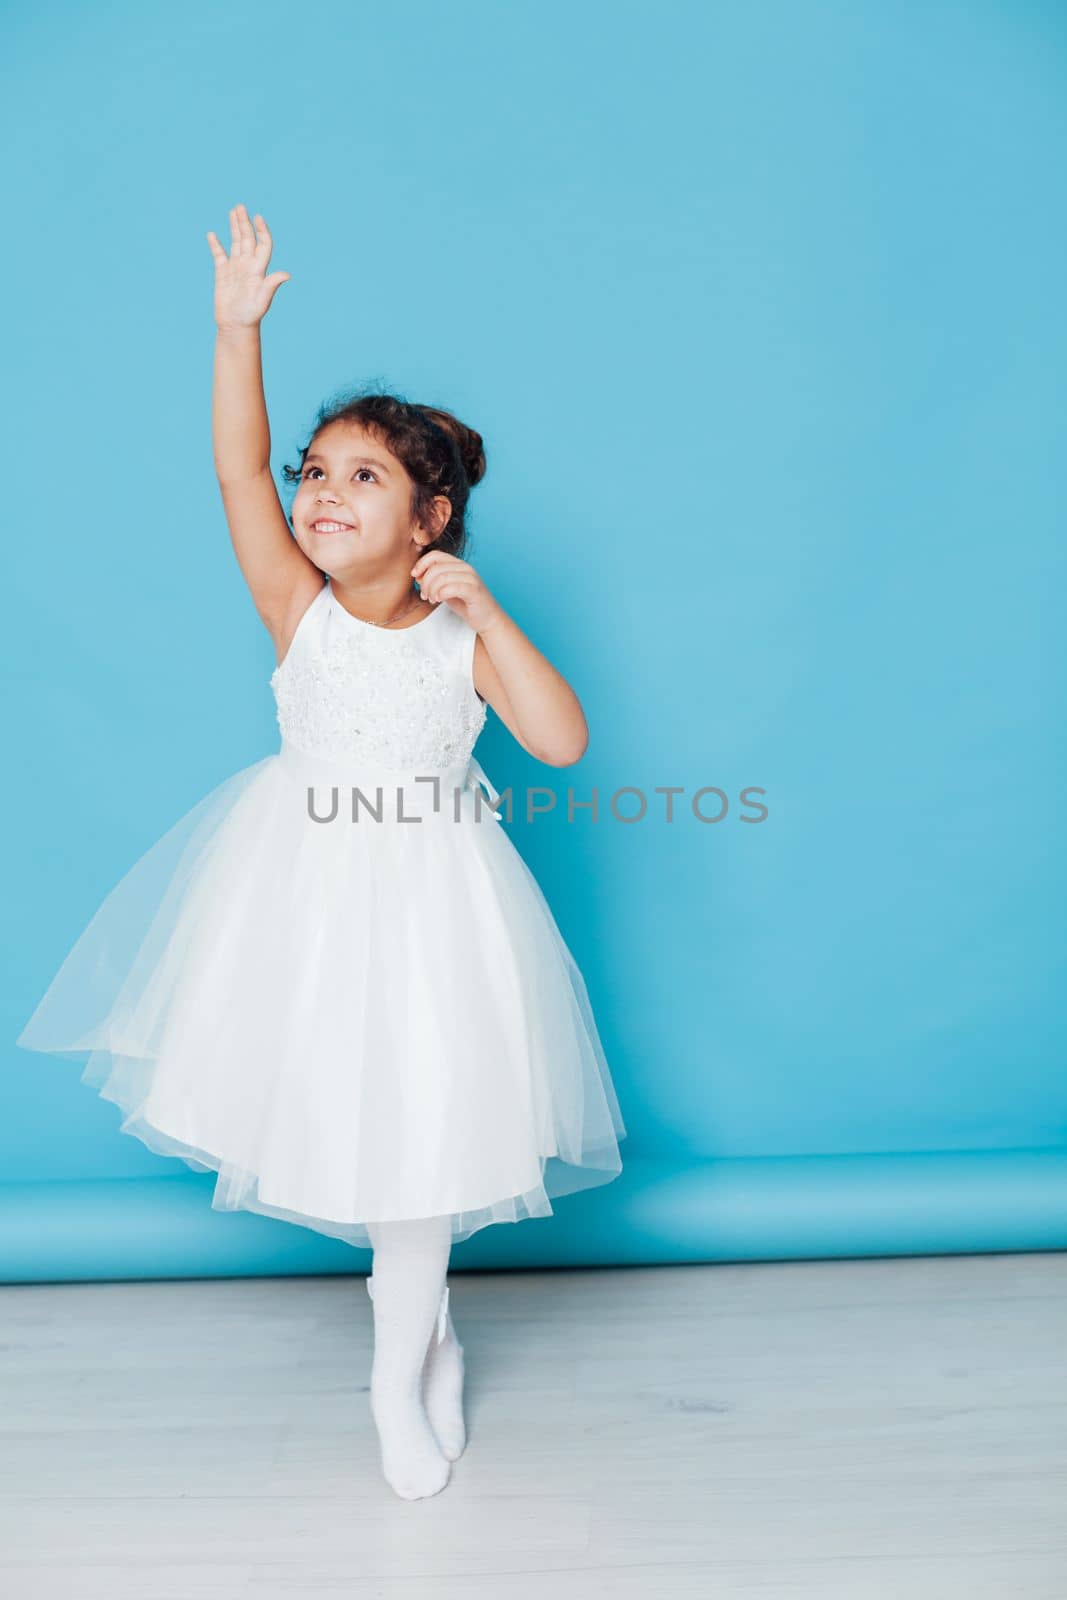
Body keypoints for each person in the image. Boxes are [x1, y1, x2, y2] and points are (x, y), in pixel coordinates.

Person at [15, 203, 627, 1501]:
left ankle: (399, 1374)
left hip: (435, 903)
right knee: (352, 1129)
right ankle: (430, 1331)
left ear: (432, 517)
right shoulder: (298, 608)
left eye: (365, 477)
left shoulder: (461, 630)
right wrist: (237, 334)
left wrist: (491, 609)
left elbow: (563, 743)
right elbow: (236, 474)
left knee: (423, 1137)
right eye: (319, 470)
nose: (324, 493)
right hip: (296, 896)